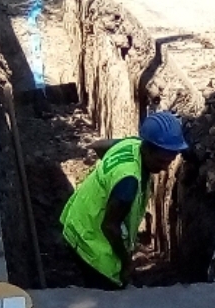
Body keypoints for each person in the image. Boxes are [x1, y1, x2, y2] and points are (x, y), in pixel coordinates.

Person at [59, 110, 189, 288]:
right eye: (160, 162)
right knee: (109, 293)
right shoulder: (128, 182)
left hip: (79, 218)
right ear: (148, 149)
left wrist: (105, 177)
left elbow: (100, 145)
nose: (165, 168)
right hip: (90, 240)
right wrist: (127, 262)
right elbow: (110, 226)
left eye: (169, 161)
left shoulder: (131, 144)